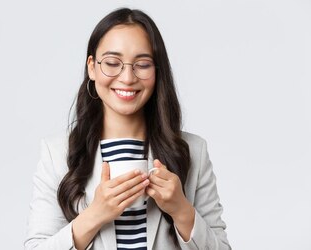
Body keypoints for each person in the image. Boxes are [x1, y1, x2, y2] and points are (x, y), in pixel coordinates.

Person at [24, 8, 231, 250]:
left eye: (142, 64)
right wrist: (95, 215)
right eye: (112, 63)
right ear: (92, 67)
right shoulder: (57, 153)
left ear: (157, 71)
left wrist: (181, 209)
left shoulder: (193, 150)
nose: (128, 77)